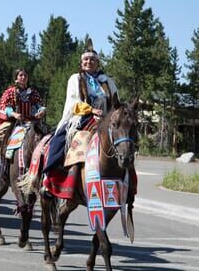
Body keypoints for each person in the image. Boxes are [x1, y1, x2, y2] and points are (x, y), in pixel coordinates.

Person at [41, 39, 138, 198]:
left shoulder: (107, 81)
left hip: (106, 118)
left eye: (92, 59)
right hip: (82, 117)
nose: (89, 62)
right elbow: (74, 102)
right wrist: (91, 110)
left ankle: (129, 185)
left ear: (97, 63)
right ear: (81, 62)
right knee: (59, 139)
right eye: (86, 59)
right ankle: (49, 177)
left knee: (126, 141)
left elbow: (116, 102)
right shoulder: (75, 79)